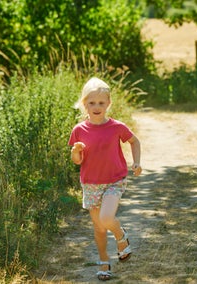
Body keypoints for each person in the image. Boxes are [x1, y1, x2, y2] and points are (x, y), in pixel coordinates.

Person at [68, 77, 142, 281]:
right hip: (90, 183)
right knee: (99, 227)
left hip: (114, 180)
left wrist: (136, 162)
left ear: (108, 103)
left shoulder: (117, 127)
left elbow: (134, 142)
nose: (97, 107)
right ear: (85, 104)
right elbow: (77, 161)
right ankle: (104, 261)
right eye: (92, 103)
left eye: (101, 103)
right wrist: (76, 151)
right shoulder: (79, 130)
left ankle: (121, 237)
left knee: (107, 218)